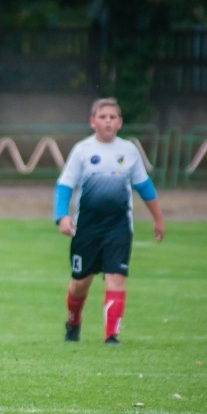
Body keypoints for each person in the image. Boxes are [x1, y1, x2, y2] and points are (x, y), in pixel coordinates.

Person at [54, 97, 165, 344]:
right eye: (103, 117)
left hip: (119, 227)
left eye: (112, 117)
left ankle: (111, 335)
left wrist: (158, 218)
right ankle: (73, 321)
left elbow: (144, 187)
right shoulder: (82, 151)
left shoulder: (128, 151)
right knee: (80, 283)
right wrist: (62, 217)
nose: (108, 121)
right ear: (92, 121)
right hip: (87, 228)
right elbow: (64, 186)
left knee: (116, 276)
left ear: (120, 122)